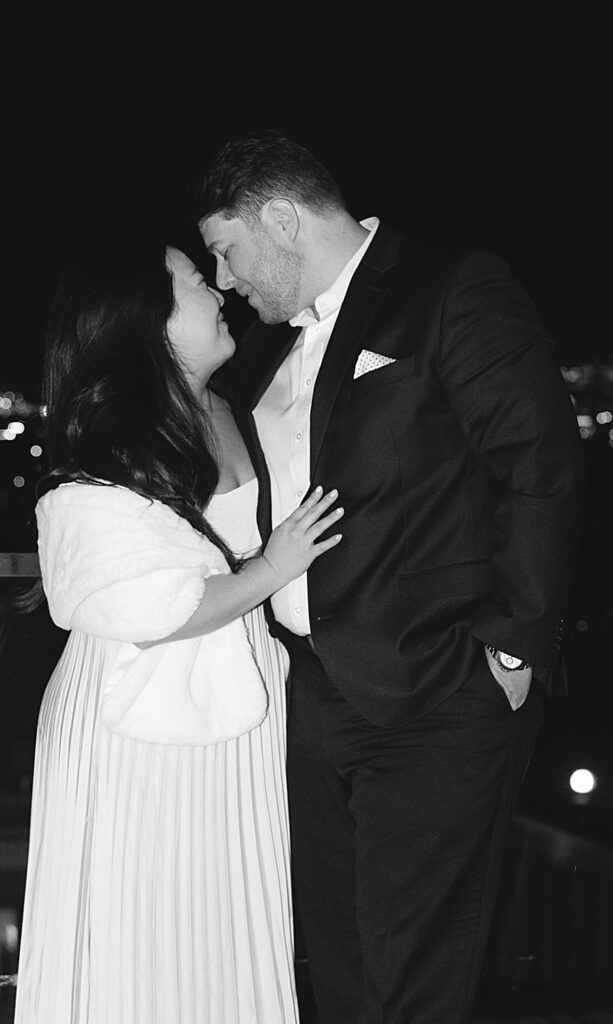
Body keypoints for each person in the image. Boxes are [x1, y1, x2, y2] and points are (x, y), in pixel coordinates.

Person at [190, 129, 587, 1024]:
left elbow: (540, 465)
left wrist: (512, 651)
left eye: (228, 249)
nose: (226, 279)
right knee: (339, 964)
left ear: (282, 218)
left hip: (435, 691)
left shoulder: (451, 288)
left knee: (412, 973)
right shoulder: (266, 346)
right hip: (305, 697)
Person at [14, 239, 344, 1024]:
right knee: (142, 930)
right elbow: (145, 607)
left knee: (224, 931)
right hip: (140, 731)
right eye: (197, 281)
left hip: (234, 722)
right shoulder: (112, 437)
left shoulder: (230, 404)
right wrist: (273, 566)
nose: (218, 289)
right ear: (146, 319)